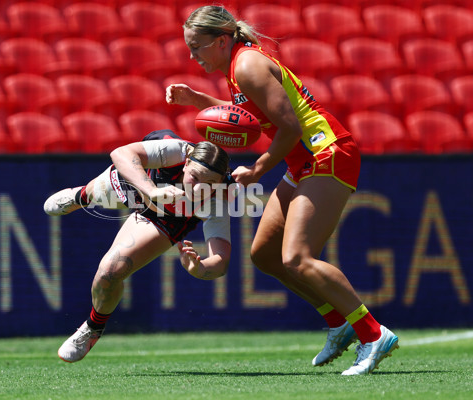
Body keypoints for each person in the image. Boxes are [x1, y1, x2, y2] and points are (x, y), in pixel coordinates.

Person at [165, 6, 398, 375]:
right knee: (265, 256)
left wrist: (257, 169)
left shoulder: (246, 66)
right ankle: (339, 322)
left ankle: (373, 334)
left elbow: (288, 126)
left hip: (326, 153)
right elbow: (251, 121)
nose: (192, 56)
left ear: (222, 41)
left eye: (197, 47)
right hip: (302, 163)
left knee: (298, 258)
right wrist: (198, 101)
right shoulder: (237, 68)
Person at [45, 130, 232, 363]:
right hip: (140, 184)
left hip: (166, 218)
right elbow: (121, 153)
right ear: (186, 164)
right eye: (195, 177)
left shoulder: (219, 198)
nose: (197, 189)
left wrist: (200, 269)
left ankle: (92, 328)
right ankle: (80, 196)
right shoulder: (177, 150)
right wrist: (152, 191)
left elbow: (221, 262)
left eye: (209, 183)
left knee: (110, 271)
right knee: (93, 193)